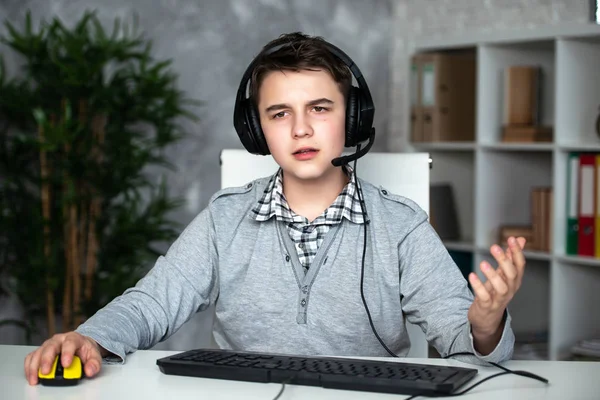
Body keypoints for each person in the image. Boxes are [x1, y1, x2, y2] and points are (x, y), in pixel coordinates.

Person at [24, 32, 527, 385]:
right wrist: (88, 337)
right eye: (279, 113)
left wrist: (484, 323)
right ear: (256, 130)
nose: (301, 129)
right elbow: (152, 303)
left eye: (320, 109)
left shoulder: (401, 225)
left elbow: (466, 345)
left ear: (351, 119)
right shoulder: (224, 219)